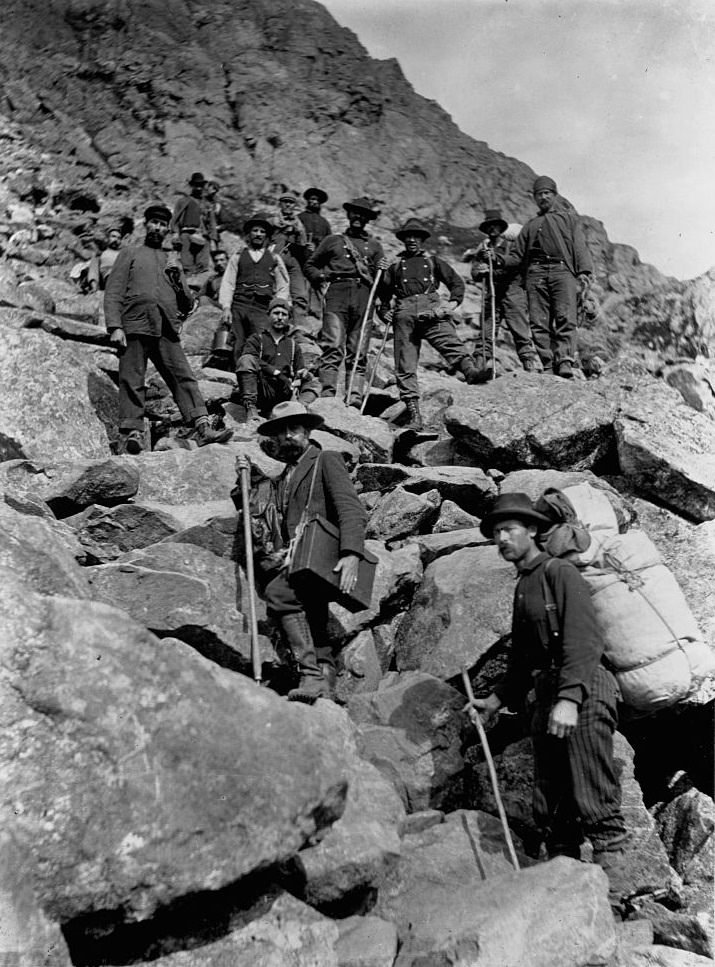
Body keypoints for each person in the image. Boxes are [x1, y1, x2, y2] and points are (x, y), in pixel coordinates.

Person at [467, 493, 628, 895]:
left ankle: (627, 891)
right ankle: (565, 898)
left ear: (534, 530)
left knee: (593, 793)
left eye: (509, 530)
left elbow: (584, 640)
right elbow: (523, 659)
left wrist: (571, 699)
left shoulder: (560, 573)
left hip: (585, 690)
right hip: (548, 694)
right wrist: (496, 700)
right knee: (554, 805)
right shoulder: (525, 585)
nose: (501, 539)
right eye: (496, 533)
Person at [246, 401, 367, 702]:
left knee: (279, 593)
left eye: (294, 429)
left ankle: (310, 674)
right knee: (313, 616)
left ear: (309, 430)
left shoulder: (326, 459)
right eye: (280, 432)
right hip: (299, 558)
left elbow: (351, 509)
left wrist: (351, 553)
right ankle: (324, 682)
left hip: (322, 556)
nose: (287, 436)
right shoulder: (286, 473)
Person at [104, 203, 233, 454]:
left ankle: (202, 426)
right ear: (146, 224)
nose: (157, 227)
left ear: (167, 230)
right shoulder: (129, 253)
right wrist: (114, 326)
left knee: (183, 375)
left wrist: (177, 279)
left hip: (165, 326)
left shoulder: (170, 260)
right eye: (154, 222)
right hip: (134, 323)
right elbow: (113, 292)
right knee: (132, 377)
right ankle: (132, 433)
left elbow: (186, 303)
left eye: (162, 224)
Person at [378, 218, 480, 430]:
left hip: (431, 310)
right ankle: (415, 416)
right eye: (408, 237)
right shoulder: (394, 267)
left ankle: (472, 373)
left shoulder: (433, 262)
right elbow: (383, 297)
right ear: (403, 240)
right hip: (404, 314)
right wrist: (385, 311)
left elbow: (456, 284)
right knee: (405, 365)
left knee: (450, 341)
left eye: (417, 236)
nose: (412, 240)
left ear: (423, 240)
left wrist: (449, 306)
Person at [505, 176, 593, 378]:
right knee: (539, 322)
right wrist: (499, 261)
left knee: (565, 317)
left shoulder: (568, 219)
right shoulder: (530, 225)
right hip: (535, 275)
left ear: (554, 195)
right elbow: (517, 256)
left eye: (547, 193)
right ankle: (547, 363)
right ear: (534, 198)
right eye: (539, 194)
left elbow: (579, 246)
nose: (543, 197)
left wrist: (584, 273)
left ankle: (564, 361)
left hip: (562, 272)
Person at [304, 196, 387, 404]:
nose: (358, 217)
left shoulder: (375, 247)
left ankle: (354, 396)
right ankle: (327, 394)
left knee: (359, 349)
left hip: (364, 297)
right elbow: (310, 265)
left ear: (368, 219)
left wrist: (384, 270)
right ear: (349, 215)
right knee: (332, 345)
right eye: (355, 213)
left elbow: (383, 282)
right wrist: (321, 278)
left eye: (363, 215)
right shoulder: (333, 241)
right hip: (337, 294)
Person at [470, 209, 541, 379]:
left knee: (520, 331)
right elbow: (474, 273)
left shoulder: (512, 245)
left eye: (495, 225)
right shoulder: (483, 249)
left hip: (512, 293)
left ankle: (529, 367)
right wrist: (480, 271)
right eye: (489, 226)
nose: (492, 229)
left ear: (501, 228)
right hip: (492, 295)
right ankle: (479, 369)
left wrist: (491, 269)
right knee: (486, 332)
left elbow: (515, 267)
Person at [218, 211, 291, 364]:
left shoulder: (274, 258)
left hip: (262, 307)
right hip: (239, 305)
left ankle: (258, 380)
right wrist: (226, 307)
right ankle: (241, 380)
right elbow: (228, 283)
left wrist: (278, 306)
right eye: (255, 231)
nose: (258, 234)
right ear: (249, 234)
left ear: (266, 236)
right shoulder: (237, 256)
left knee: (261, 343)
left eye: (262, 231)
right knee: (238, 344)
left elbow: (283, 285)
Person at [236, 298, 320, 420]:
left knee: (314, 381)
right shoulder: (257, 339)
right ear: (268, 315)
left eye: (284, 314)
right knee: (246, 360)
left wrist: (303, 373)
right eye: (276, 313)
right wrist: (275, 372)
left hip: (283, 391)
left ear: (289, 318)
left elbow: (299, 370)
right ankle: (251, 409)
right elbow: (250, 358)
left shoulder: (292, 345)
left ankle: (299, 407)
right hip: (262, 389)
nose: (280, 317)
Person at [271, 192, 309, 320]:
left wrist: (298, 231)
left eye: (291, 202)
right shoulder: (272, 220)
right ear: (280, 203)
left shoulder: (299, 223)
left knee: (300, 295)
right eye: (285, 201)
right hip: (275, 259)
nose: (288, 204)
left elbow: (303, 243)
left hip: (293, 261)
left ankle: (300, 326)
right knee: (277, 294)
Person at [171, 172, 213, 275]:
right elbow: (175, 218)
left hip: (202, 236)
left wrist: (211, 237)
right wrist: (175, 233)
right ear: (192, 185)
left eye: (201, 185)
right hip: (186, 235)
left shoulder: (207, 204)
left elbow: (211, 222)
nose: (199, 188)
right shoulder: (183, 201)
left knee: (202, 267)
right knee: (187, 267)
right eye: (196, 185)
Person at [86, 226, 123, 291]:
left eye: (119, 238)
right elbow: (93, 269)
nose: (116, 240)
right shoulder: (101, 253)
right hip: (109, 277)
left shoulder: (123, 253)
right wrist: (94, 284)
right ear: (108, 238)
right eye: (113, 236)